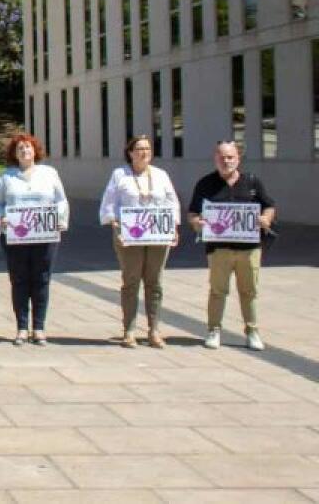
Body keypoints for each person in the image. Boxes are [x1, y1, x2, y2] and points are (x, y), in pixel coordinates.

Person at [187, 140, 276, 351]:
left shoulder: (252, 182)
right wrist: (196, 223)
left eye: (230, 157)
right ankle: (214, 330)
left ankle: (252, 331)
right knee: (218, 290)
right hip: (219, 249)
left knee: (249, 291)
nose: (226, 161)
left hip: (249, 248)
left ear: (238, 158)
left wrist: (266, 219)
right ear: (215, 158)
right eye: (222, 157)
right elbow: (192, 213)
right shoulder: (205, 183)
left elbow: (269, 206)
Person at [98, 135, 180, 349]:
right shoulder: (120, 175)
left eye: (147, 149)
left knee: (155, 282)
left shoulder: (161, 175)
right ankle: (130, 330)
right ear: (130, 153)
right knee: (131, 281)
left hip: (157, 236)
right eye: (139, 149)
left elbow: (172, 202)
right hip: (130, 236)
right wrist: (114, 222)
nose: (144, 152)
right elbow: (109, 203)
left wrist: (174, 227)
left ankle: (154, 330)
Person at [0, 133, 69, 346]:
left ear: (35, 150)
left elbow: (60, 201)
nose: (25, 151)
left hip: (45, 236)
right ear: (14, 154)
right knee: (20, 279)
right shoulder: (6, 177)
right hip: (16, 237)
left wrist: (60, 219)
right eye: (20, 148)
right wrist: (1, 219)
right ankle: (22, 327)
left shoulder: (49, 173)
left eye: (28, 147)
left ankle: (39, 328)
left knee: (41, 279)